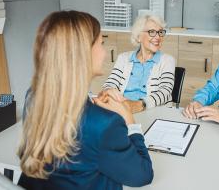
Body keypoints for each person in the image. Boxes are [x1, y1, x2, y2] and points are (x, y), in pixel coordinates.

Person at [17, 10, 153, 190]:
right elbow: (142, 175)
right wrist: (129, 121)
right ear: (82, 53)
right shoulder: (105, 124)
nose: (105, 53)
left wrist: (90, 101)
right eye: (101, 44)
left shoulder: (33, 97)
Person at [102, 14, 175, 113]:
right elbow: (110, 83)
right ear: (138, 37)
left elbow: (165, 92)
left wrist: (139, 105)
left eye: (160, 32)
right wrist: (109, 91)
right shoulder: (123, 58)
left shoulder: (167, 60)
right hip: (122, 109)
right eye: (152, 32)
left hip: (152, 112)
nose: (158, 37)